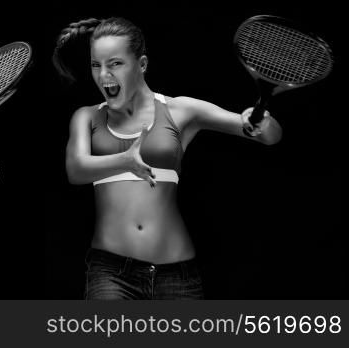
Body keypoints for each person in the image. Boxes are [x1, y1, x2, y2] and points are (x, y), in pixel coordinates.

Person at [53, 17, 282, 299]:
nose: (103, 75)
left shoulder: (181, 110)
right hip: (111, 273)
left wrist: (261, 122)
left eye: (115, 64)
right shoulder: (87, 116)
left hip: (177, 276)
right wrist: (124, 160)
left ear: (142, 65)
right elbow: (75, 170)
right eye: (95, 65)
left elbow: (266, 135)